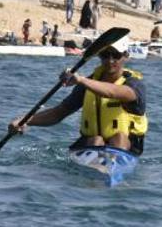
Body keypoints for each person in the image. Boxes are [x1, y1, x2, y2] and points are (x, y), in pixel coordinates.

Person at [8, 35, 148, 155]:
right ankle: (96, 170)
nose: (110, 60)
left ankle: (111, 166)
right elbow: (59, 113)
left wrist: (81, 80)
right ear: (99, 55)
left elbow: (115, 92)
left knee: (119, 138)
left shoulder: (134, 84)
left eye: (116, 55)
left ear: (126, 56)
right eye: (105, 55)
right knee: (96, 140)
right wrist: (24, 121)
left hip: (125, 147)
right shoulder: (86, 85)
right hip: (93, 144)